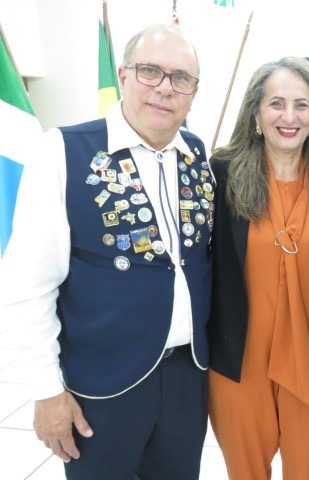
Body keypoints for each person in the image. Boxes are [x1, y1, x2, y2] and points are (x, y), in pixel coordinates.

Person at [0, 24, 214, 479]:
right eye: (150, 71)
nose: (165, 88)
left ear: (193, 92)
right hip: (101, 387)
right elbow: (27, 285)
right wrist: (46, 391)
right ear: (123, 75)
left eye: (181, 78)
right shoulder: (64, 151)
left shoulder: (196, 155)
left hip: (186, 380)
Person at [207, 56, 309, 479]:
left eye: (302, 105)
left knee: (308, 472)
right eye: (276, 103)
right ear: (255, 114)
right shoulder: (221, 176)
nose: (289, 116)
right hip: (239, 360)